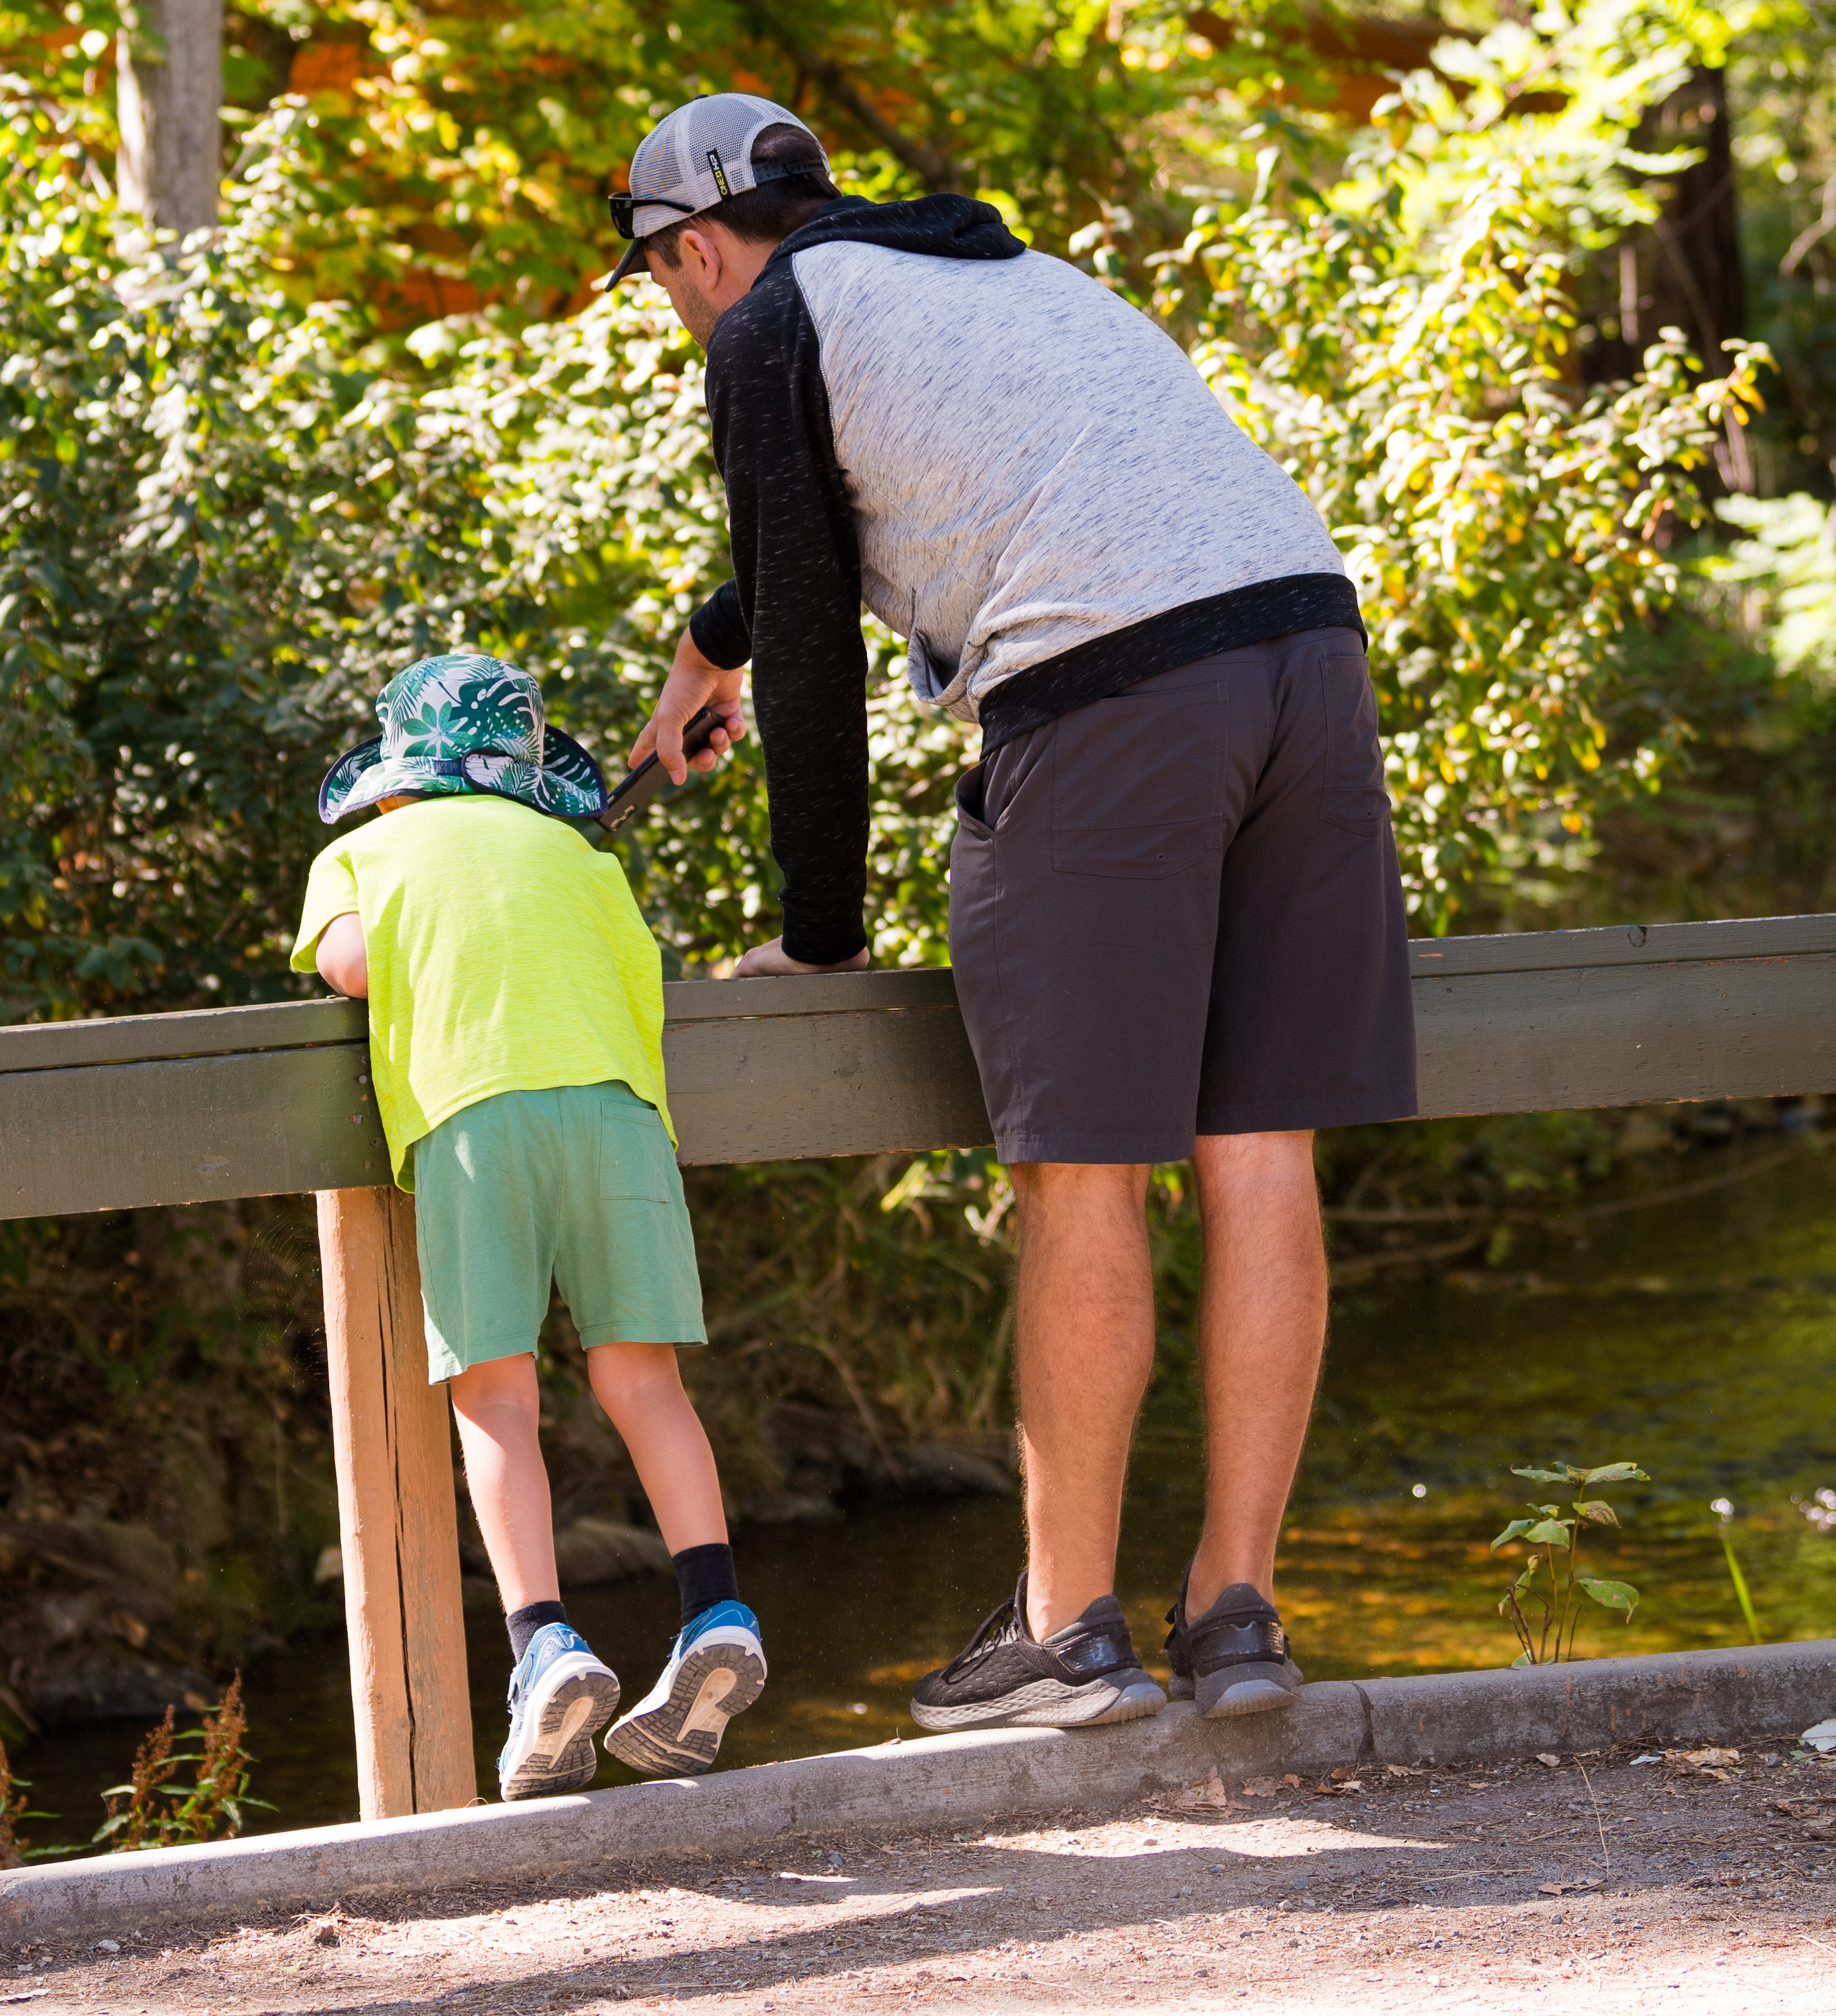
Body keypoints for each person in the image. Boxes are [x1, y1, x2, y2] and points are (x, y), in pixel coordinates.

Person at [601, 93, 1417, 1730]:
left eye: (663, 281)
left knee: (1085, 1164)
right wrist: (719, 641)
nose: (678, 310)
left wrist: (820, 932)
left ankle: (1059, 1631)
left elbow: (823, 663)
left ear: (694, 248)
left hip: (1113, 693)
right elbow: (869, 541)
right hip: (1306, 657)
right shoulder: (995, 269)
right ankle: (1237, 1614)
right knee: (1258, 1147)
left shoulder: (764, 328)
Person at [292, 650, 766, 1798]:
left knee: (496, 1393)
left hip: (472, 1120)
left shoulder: (359, 849)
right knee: (642, 1376)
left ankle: (544, 1643)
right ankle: (717, 1604)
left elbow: (353, 966)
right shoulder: (575, 848)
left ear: (395, 770)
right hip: (616, 1111)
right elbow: (633, 966)